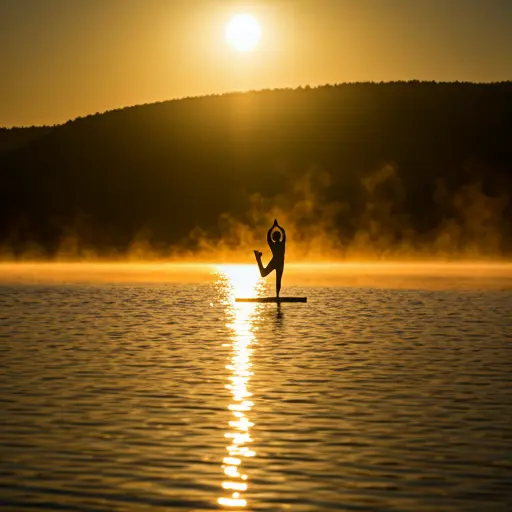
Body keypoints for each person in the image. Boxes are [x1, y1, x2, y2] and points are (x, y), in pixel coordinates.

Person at [254, 219, 286, 297]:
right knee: (272, 277)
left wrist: (274, 226)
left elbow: (269, 235)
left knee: (270, 277)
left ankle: (277, 296)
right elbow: (283, 233)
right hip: (277, 262)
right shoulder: (279, 243)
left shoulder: (278, 243)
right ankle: (277, 296)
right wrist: (276, 226)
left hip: (277, 263)